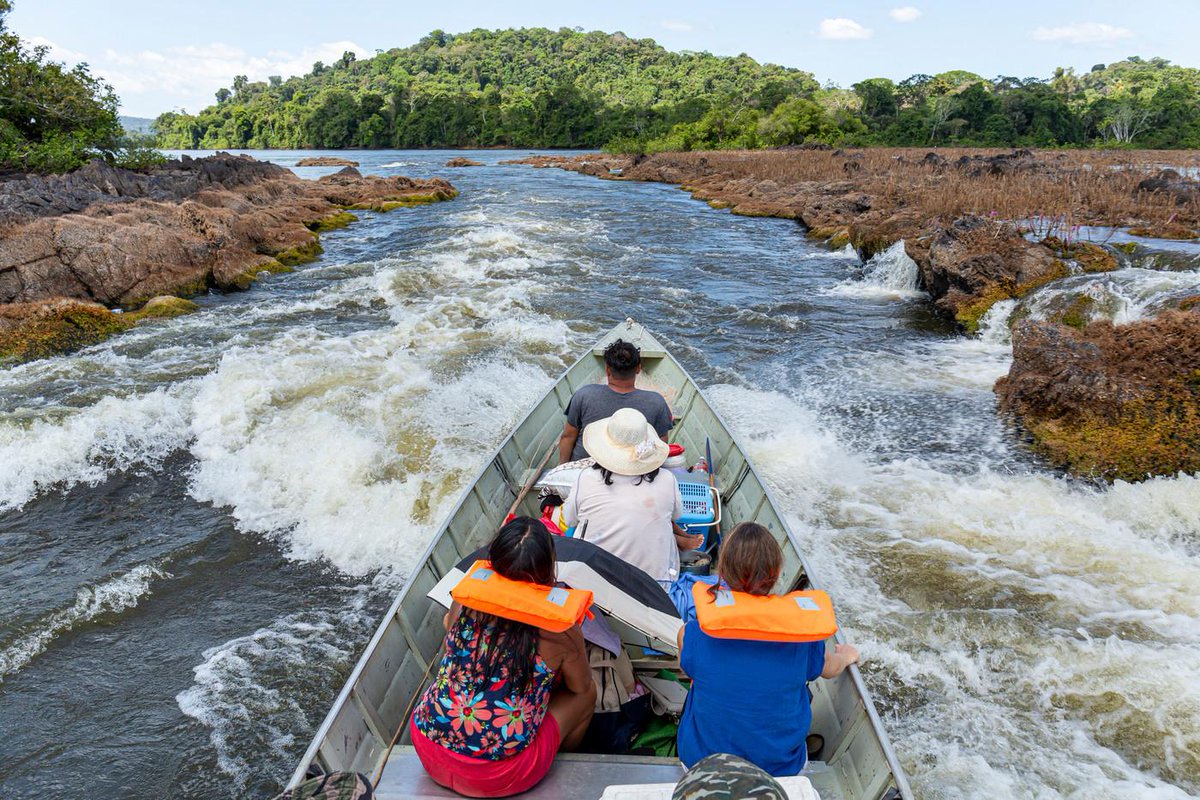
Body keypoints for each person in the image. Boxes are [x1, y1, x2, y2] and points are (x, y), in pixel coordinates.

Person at [410, 518, 596, 798]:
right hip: (501, 776)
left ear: (494, 561)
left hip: (427, 746)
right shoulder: (561, 629)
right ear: (548, 569)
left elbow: (449, 626)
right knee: (587, 695)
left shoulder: (466, 597)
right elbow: (580, 687)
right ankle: (560, 758)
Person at [675, 522, 860, 778]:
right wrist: (846, 655)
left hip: (700, 766)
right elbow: (830, 669)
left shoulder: (692, 633)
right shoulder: (802, 636)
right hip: (779, 771)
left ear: (722, 572)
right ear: (777, 573)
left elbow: (686, 665)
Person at [563, 408, 704, 585]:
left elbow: (569, 520)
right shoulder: (667, 479)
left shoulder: (585, 478)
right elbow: (676, 516)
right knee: (661, 519)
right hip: (659, 584)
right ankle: (680, 540)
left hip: (595, 583)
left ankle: (680, 540)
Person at [559, 338, 673, 464]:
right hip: (633, 470)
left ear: (607, 369)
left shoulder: (584, 394)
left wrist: (562, 468)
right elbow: (661, 444)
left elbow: (568, 437)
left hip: (584, 467)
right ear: (638, 369)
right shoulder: (656, 401)